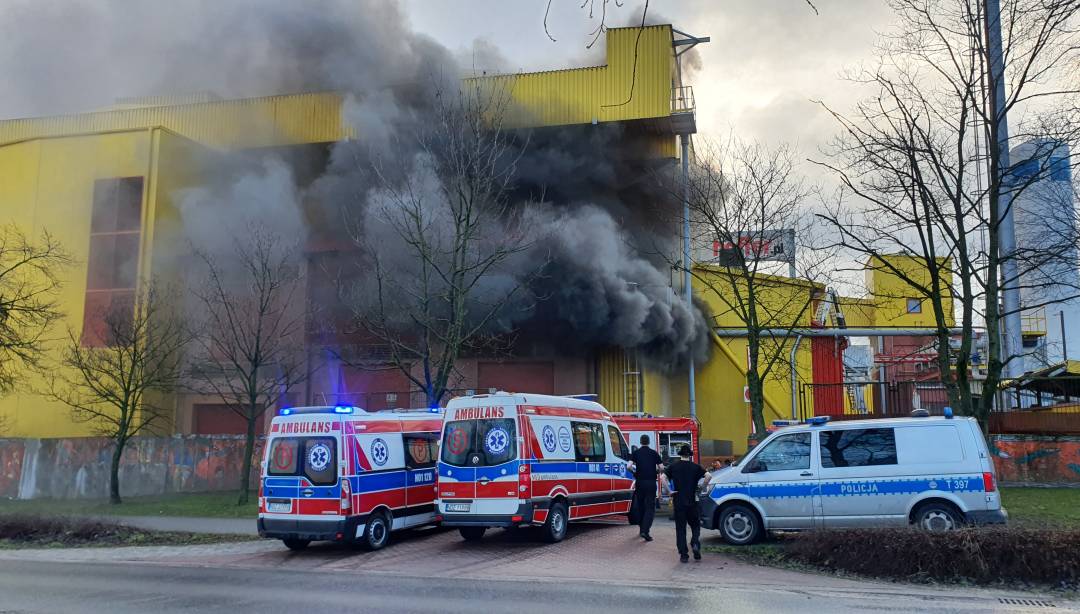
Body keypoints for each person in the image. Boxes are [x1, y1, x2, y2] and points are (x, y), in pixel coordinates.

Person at [665, 444, 706, 563]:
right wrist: (701, 488)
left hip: (679, 501)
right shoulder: (695, 467)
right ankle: (695, 543)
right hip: (692, 501)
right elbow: (708, 476)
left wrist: (669, 491)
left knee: (681, 528)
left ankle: (684, 555)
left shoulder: (674, 466)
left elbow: (662, 477)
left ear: (680, 455)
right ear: (690, 455)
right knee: (695, 525)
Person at [628, 434, 663, 541]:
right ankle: (645, 531)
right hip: (651, 483)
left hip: (640, 482)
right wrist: (656, 471)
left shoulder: (636, 453)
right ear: (648, 442)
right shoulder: (654, 453)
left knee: (641, 506)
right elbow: (661, 467)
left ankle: (641, 528)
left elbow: (628, 466)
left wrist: (634, 473)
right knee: (650, 508)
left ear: (640, 442)